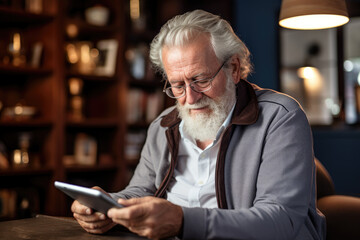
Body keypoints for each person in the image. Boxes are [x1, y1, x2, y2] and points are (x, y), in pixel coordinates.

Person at [71, 9, 326, 239]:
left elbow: (280, 220)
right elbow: (141, 191)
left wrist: (182, 222)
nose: (190, 98)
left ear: (234, 69)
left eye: (201, 80)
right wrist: (107, 205)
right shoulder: (162, 126)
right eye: (178, 85)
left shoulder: (280, 117)